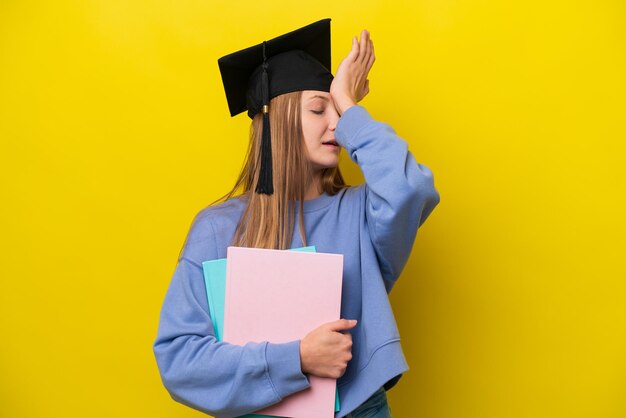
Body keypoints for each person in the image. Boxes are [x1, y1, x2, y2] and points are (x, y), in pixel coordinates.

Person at [153, 18, 440, 418]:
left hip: (359, 410)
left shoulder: (359, 213)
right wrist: (298, 358)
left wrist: (350, 102)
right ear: (277, 121)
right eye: (319, 109)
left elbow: (411, 189)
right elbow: (180, 361)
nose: (336, 126)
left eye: (338, 111)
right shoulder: (218, 228)